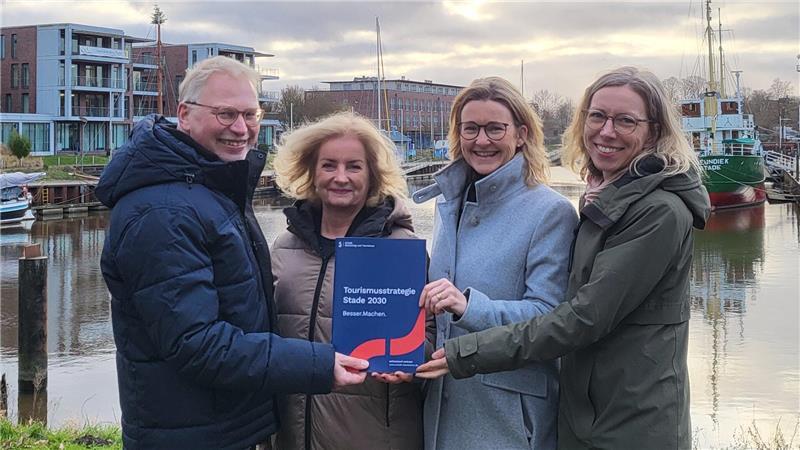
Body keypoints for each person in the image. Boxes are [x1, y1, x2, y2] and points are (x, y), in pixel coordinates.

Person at [416, 66, 711, 449]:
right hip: (577, 411)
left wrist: (468, 325)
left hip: (622, 418)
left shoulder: (651, 211)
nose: (607, 131)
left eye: (625, 120)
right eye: (598, 116)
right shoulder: (452, 204)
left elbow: (578, 316)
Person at [96, 56, 368, 450]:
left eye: (250, 114)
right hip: (191, 434)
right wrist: (319, 364)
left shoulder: (205, 189)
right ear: (184, 115)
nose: (241, 129)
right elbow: (198, 344)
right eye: (225, 114)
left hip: (219, 425)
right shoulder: (164, 212)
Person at [412, 77, 578, 449]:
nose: (481, 140)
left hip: (508, 418)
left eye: (494, 128)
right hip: (441, 409)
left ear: (520, 134)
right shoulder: (447, 205)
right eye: (470, 128)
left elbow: (551, 317)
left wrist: (470, 306)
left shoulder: (551, 212)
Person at [270, 111, 434, 450]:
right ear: (311, 172)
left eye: (354, 166)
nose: (340, 177)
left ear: (373, 175)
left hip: (375, 435)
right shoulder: (284, 247)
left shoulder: (399, 249)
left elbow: (430, 333)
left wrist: (412, 362)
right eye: (328, 165)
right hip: (291, 433)